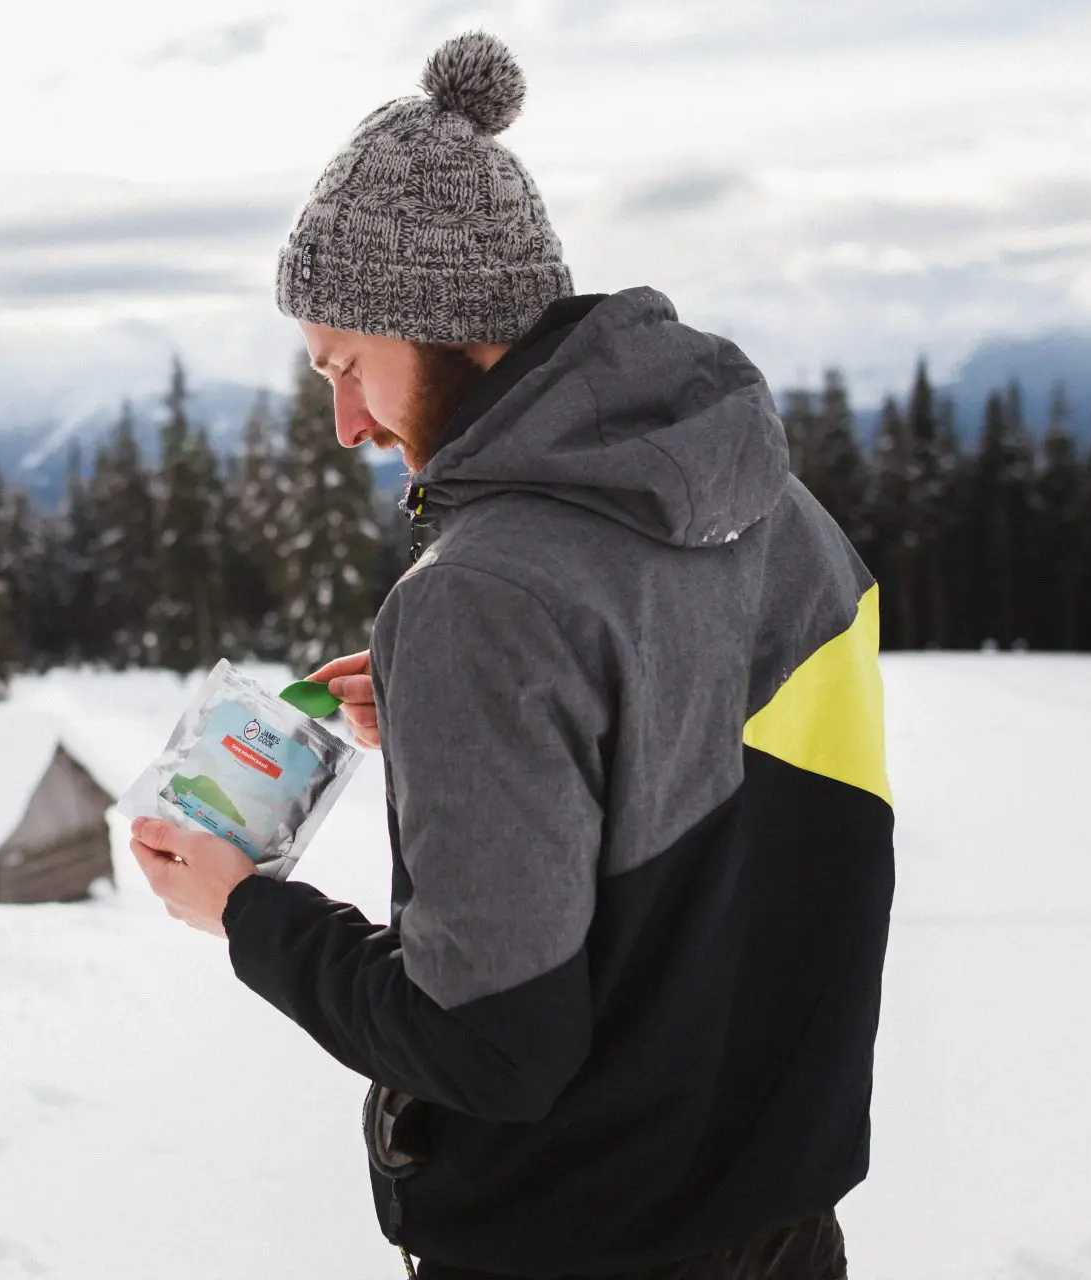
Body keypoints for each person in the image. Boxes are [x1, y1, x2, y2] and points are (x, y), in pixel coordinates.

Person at [128, 30, 891, 1280]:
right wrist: (501, 720)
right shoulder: (780, 511)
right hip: (784, 1226)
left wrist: (244, 909)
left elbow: (490, 1045)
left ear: (447, 326)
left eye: (348, 365)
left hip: (576, 1242)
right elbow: (729, 821)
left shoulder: (482, 598)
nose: (344, 423)